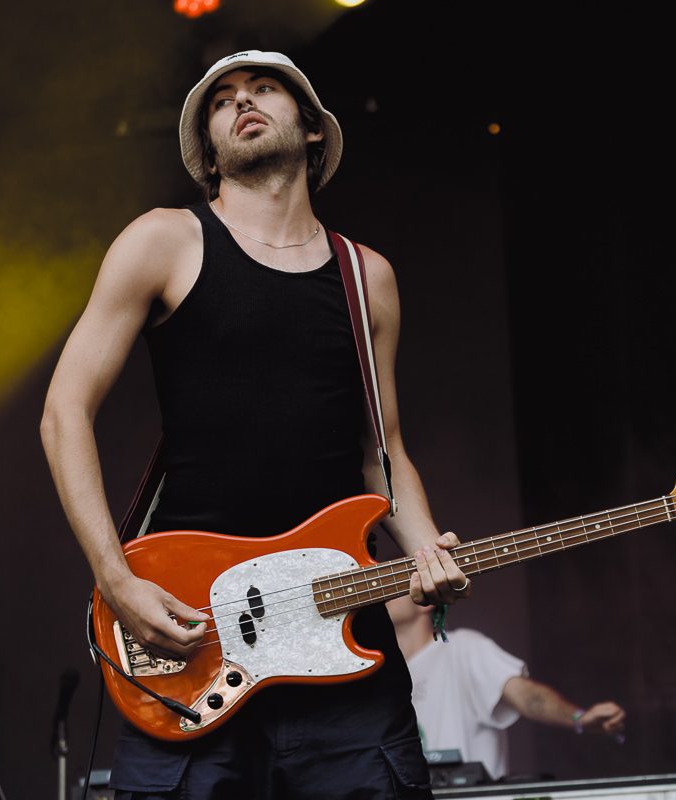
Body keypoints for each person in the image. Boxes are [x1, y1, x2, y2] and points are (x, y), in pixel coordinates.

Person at [40, 50, 470, 800]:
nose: (241, 101)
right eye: (221, 99)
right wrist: (116, 579)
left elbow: (382, 450)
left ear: (312, 128)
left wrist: (428, 549)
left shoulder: (366, 275)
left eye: (264, 88)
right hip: (195, 634)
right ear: (209, 151)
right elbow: (63, 412)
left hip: (344, 643)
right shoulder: (165, 241)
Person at [387, 596, 626, 781]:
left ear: (425, 600)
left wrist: (579, 718)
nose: (383, 594)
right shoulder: (382, 674)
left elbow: (527, 697)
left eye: (395, 584)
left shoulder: (463, 648)